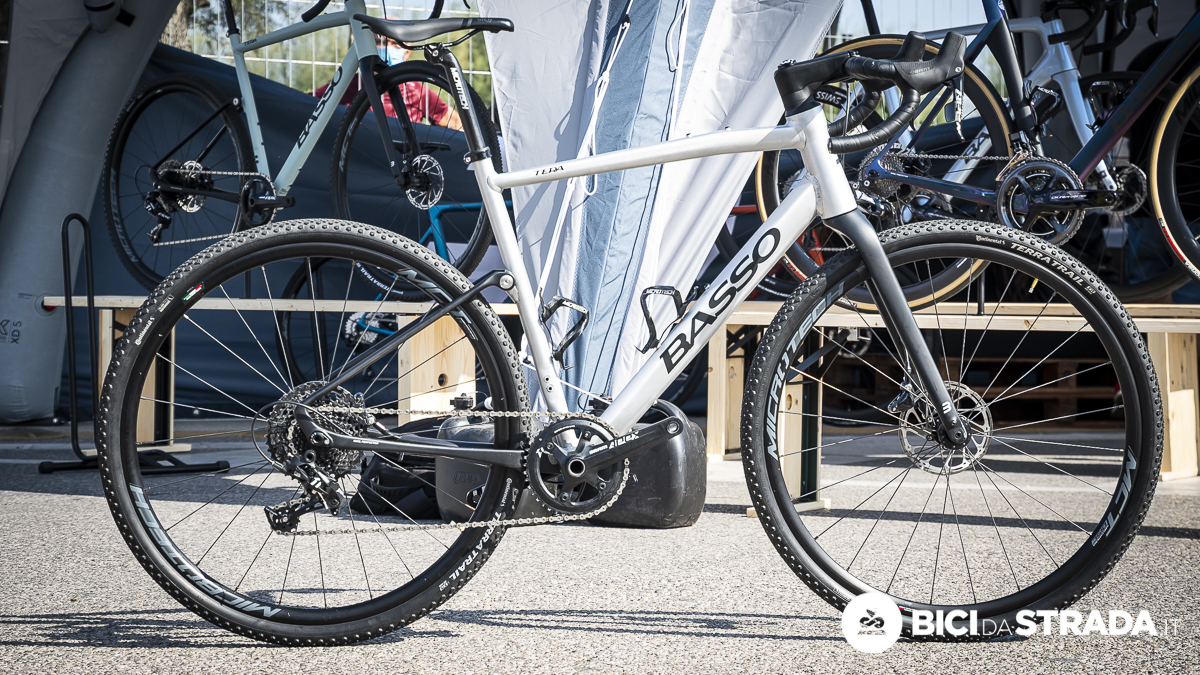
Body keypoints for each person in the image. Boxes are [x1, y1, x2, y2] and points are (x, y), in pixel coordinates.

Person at [311, 42, 463, 131]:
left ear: (407, 52)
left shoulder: (416, 90)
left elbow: (457, 124)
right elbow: (307, 106)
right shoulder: (348, 85)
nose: (387, 48)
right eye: (379, 42)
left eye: (396, 44)